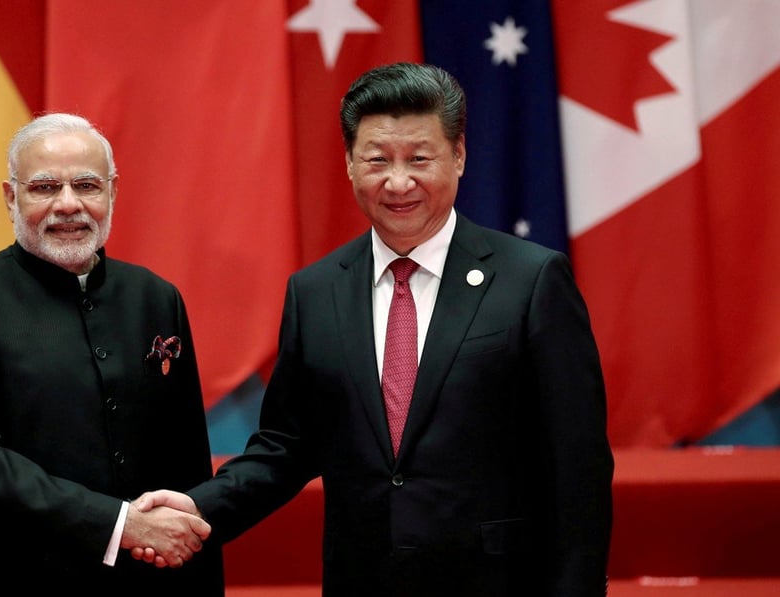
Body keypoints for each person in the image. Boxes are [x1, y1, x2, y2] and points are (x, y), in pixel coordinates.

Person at [135, 63, 614, 596]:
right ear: (348, 164)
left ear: (458, 156)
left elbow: (579, 466)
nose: (399, 181)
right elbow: (286, 446)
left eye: (419, 158)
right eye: (378, 160)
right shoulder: (315, 292)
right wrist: (199, 507)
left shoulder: (531, 280)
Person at [0, 112, 224, 596]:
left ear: (112, 193)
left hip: (146, 582)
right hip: (8, 578)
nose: (68, 205)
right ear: (10, 196)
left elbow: (186, 458)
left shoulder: (156, 297)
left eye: (86, 185)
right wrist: (123, 524)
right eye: (43, 188)